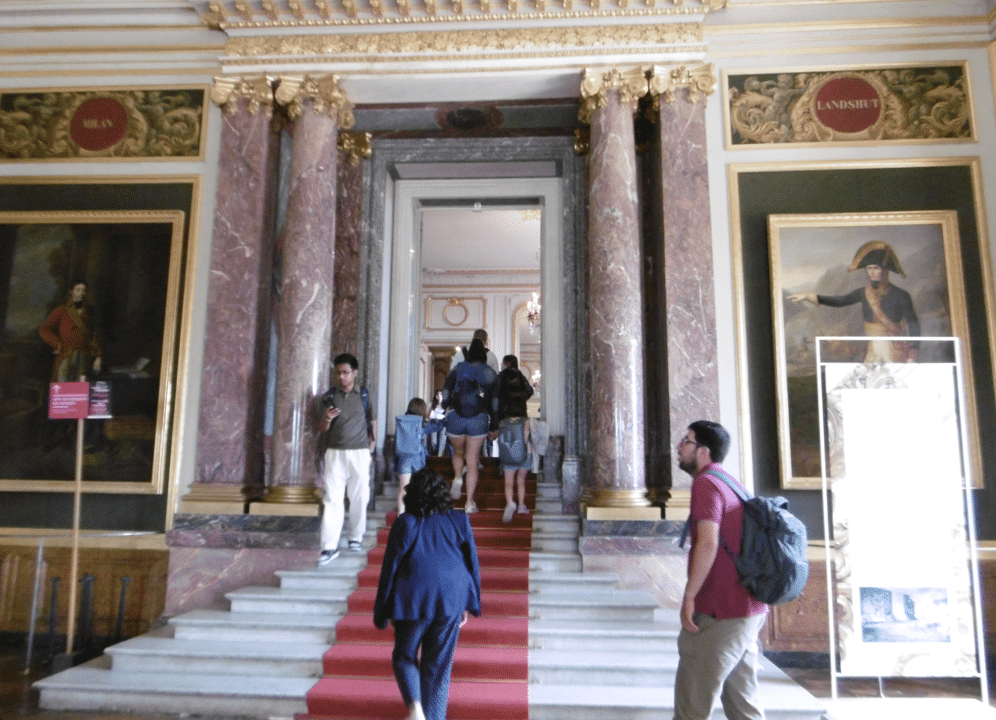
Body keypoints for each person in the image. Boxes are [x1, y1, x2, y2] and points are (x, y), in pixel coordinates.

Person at [674, 420, 767, 720]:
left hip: (722, 611)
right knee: (743, 706)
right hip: (747, 608)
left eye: (686, 441)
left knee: (691, 705)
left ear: (703, 451)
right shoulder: (729, 481)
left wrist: (690, 596)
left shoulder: (706, 483)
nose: (679, 446)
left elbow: (708, 542)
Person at [374, 467, 482, 720]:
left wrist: (383, 611)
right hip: (451, 596)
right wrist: (469, 602)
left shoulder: (406, 522)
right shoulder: (458, 520)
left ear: (412, 493)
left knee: (404, 656)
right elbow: (471, 562)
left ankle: (415, 709)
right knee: (438, 668)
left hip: (414, 597)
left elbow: (389, 568)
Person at [787, 240, 920, 363]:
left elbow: (913, 324)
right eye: (869, 268)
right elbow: (840, 301)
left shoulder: (901, 295)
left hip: (895, 348)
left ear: (884, 270)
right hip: (871, 347)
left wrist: (913, 350)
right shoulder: (863, 293)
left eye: (876, 268)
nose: (872, 272)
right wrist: (810, 297)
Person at [317, 353, 377, 565]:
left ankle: (356, 536)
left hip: (360, 453)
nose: (341, 377)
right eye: (338, 373)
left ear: (354, 373)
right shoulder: (329, 397)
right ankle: (329, 546)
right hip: (335, 453)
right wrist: (327, 418)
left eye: (345, 372)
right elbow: (321, 428)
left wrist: (371, 450)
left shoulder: (364, 395)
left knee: (359, 497)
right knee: (332, 499)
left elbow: (373, 422)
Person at [441, 337, 498, 514]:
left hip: (455, 417)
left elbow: (446, 389)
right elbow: (495, 402)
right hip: (478, 418)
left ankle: (458, 477)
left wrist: (445, 405)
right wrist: (494, 425)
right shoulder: (489, 372)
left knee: (458, 453)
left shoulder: (458, 368)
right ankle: (469, 502)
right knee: (472, 461)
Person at [39, 280, 102, 382]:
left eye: (83, 290)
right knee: (62, 386)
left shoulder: (89, 312)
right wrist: (57, 344)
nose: (81, 293)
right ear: (71, 291)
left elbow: (93, 335)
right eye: (78, 290)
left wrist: (98, 356)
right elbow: (44, 329)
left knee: (80, 388)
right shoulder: (61, 310)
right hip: (66, 355)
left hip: (83, 356)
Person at [393, 397, 444, 514]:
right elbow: (438, 426)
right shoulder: (421, 423)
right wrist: (443, 418)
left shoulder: (401, 422)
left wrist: (394, 463)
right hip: (417, 459)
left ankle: (400, 515)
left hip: (403, 458)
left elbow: (396, 443)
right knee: (419, 489)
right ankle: (417, 513)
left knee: (403, 490)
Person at [497, 396, 531, 523]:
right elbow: (526, 436)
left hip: (508, 454)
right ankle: (521, 506)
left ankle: (510, 502)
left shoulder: (503, 422)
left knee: (508, 482)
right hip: (524, 453)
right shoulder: (525, 421)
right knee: (521, 480)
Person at [496, 354, 534, 422]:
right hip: (520, 411)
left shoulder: (501, 376)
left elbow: (495, 392)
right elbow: (530, 391)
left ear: (506, 364)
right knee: (520, 427)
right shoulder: (521, 376)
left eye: (503, 363)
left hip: (505, 412)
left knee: (506, 428)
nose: (501, 364)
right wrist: (520, 399)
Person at [428, 390, 446, 456]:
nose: (439, 396)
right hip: (434, 422)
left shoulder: (445, 404)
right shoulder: (432, 403)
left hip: (443, 422)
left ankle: (440, 455)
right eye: (437, 395)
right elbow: (428, 414)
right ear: (435, 396)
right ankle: (434, 452)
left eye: (440, 394)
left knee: (442, 439)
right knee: (433, 441)